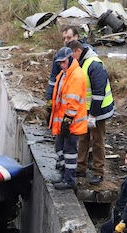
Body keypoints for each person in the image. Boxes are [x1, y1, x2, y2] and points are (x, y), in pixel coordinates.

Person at [49, 41, 89, 191]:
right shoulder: (65, 74)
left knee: (70, 152)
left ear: (70, 59)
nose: (61, 65)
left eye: (63, 62)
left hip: (71, 123)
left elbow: (73, 103)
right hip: (63, 122)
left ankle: (69, 180)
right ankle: (63, 173)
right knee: (60, 148)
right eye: (59, 63)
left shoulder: (76, 76)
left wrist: (67, 121)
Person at [73, 43, 115, 185]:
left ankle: (98, 172)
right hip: (86, 109)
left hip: (99, 111)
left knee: (98, 141)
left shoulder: (94, 65)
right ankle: (81, 167)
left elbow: (98, 93)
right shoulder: (82, 62)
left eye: (73, 55)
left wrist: (93, 115)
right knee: (83, 138)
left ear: (78, 51)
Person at [45, 26, 95, 101]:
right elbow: (53, 77)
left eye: (69, 38)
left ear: (76, 37)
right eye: (64, 38)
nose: (66, 40)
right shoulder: (59, 56)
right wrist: (49, 97)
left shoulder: (86, 53)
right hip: (67, 96)